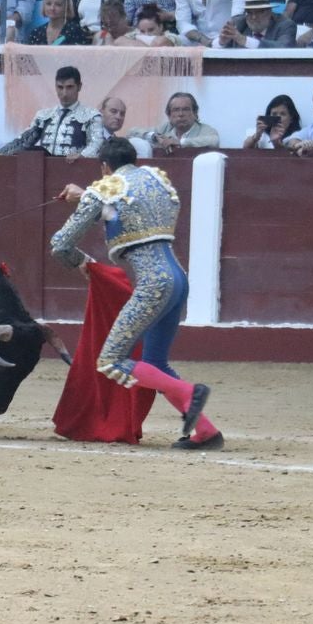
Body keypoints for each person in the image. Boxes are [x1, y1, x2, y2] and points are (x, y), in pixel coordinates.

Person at [51, 136, 224, 450]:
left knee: (111, 361)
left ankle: (189, 392)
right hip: (178, 279)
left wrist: (84, 262)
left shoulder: (104, 189)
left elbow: (60, 244)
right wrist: (89, 197)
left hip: (153, 283)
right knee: (155, 363)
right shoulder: (156, 179)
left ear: (105, 166)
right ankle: (206, 431)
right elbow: (124, 208)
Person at [0, 65, 105, 158]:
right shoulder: (44, 115)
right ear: (55, 87)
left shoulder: (91, 115)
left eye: (69, 87)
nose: (64, 93)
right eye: (60, 87)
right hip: (44, 173)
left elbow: (97, 143)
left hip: (76, 170)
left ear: (79, 87)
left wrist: (82, 156)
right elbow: (22, 141)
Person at [129, 92, 219, 151]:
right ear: (169, 115)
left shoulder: (204, 129)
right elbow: (132, 132)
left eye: (186, 109)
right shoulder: (165, 128)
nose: (181, 114)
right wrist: (154, 137)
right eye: (176, 110)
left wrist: (180, 142)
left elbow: (214, 140)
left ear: (195, 113)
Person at [216, 0, 296, 48]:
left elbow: (284, 48)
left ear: (269, 11)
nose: (254, 17)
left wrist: (246, 41)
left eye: (260, 12)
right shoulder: (238, 24)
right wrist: (221, 42)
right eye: (249, 12)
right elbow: (210, 46)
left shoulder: (285, 25)